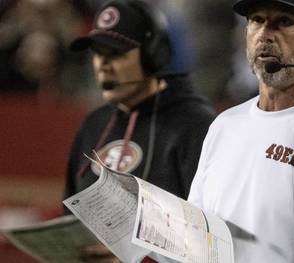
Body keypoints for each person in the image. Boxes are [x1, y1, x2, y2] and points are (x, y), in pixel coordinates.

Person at [188, 0, 294, 262]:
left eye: (284, 21)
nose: (265, 34)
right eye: (257, 20)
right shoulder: (224, 126)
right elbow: (194, 235)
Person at [64, 0, 214, 261]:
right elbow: (69, 218)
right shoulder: (93, 125)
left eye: (116, 53)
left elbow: (212, 240)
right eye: (98, 53)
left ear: (153, 56)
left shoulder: (196, 126)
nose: (103, 65)